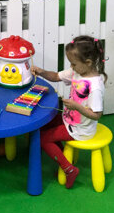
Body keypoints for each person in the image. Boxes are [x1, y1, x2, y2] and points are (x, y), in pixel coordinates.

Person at [32, 36, 106, 189]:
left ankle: (69, 169)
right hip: (69, 119)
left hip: (80, 129)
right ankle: (63, 156)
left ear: (88, 63)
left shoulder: (95, 87)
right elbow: (56, 76)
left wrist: (76, 107)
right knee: (43, 124)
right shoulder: (77, 71)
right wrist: (41, 72)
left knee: (42, 139)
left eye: (74, 63)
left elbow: (97, 115)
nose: (71, 66)